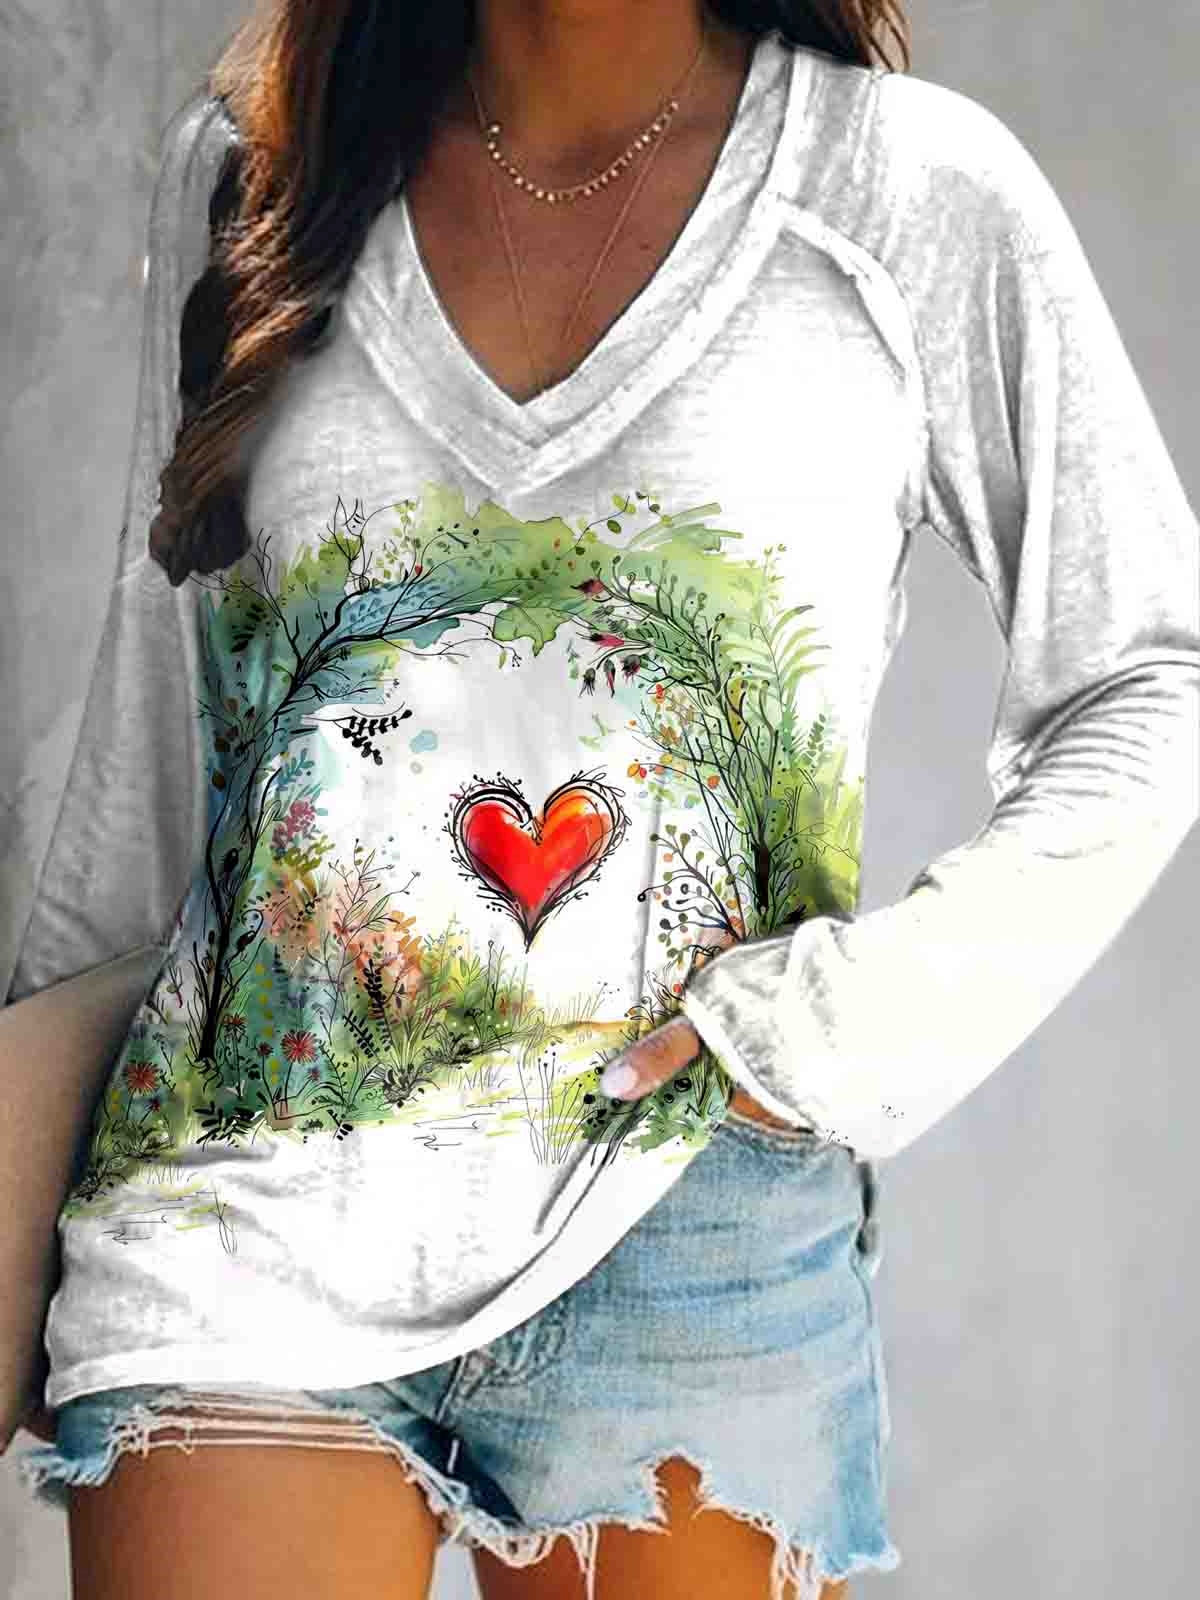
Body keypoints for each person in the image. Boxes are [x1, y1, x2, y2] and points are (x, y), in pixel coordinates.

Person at [6, 1, 1198, 1597]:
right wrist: (21, 1189)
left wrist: (836, 1029)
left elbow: (1150, 671)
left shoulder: (903, 194)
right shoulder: (258, 166)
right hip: (250, 1194)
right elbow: (164, 750)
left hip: (690, 1215)